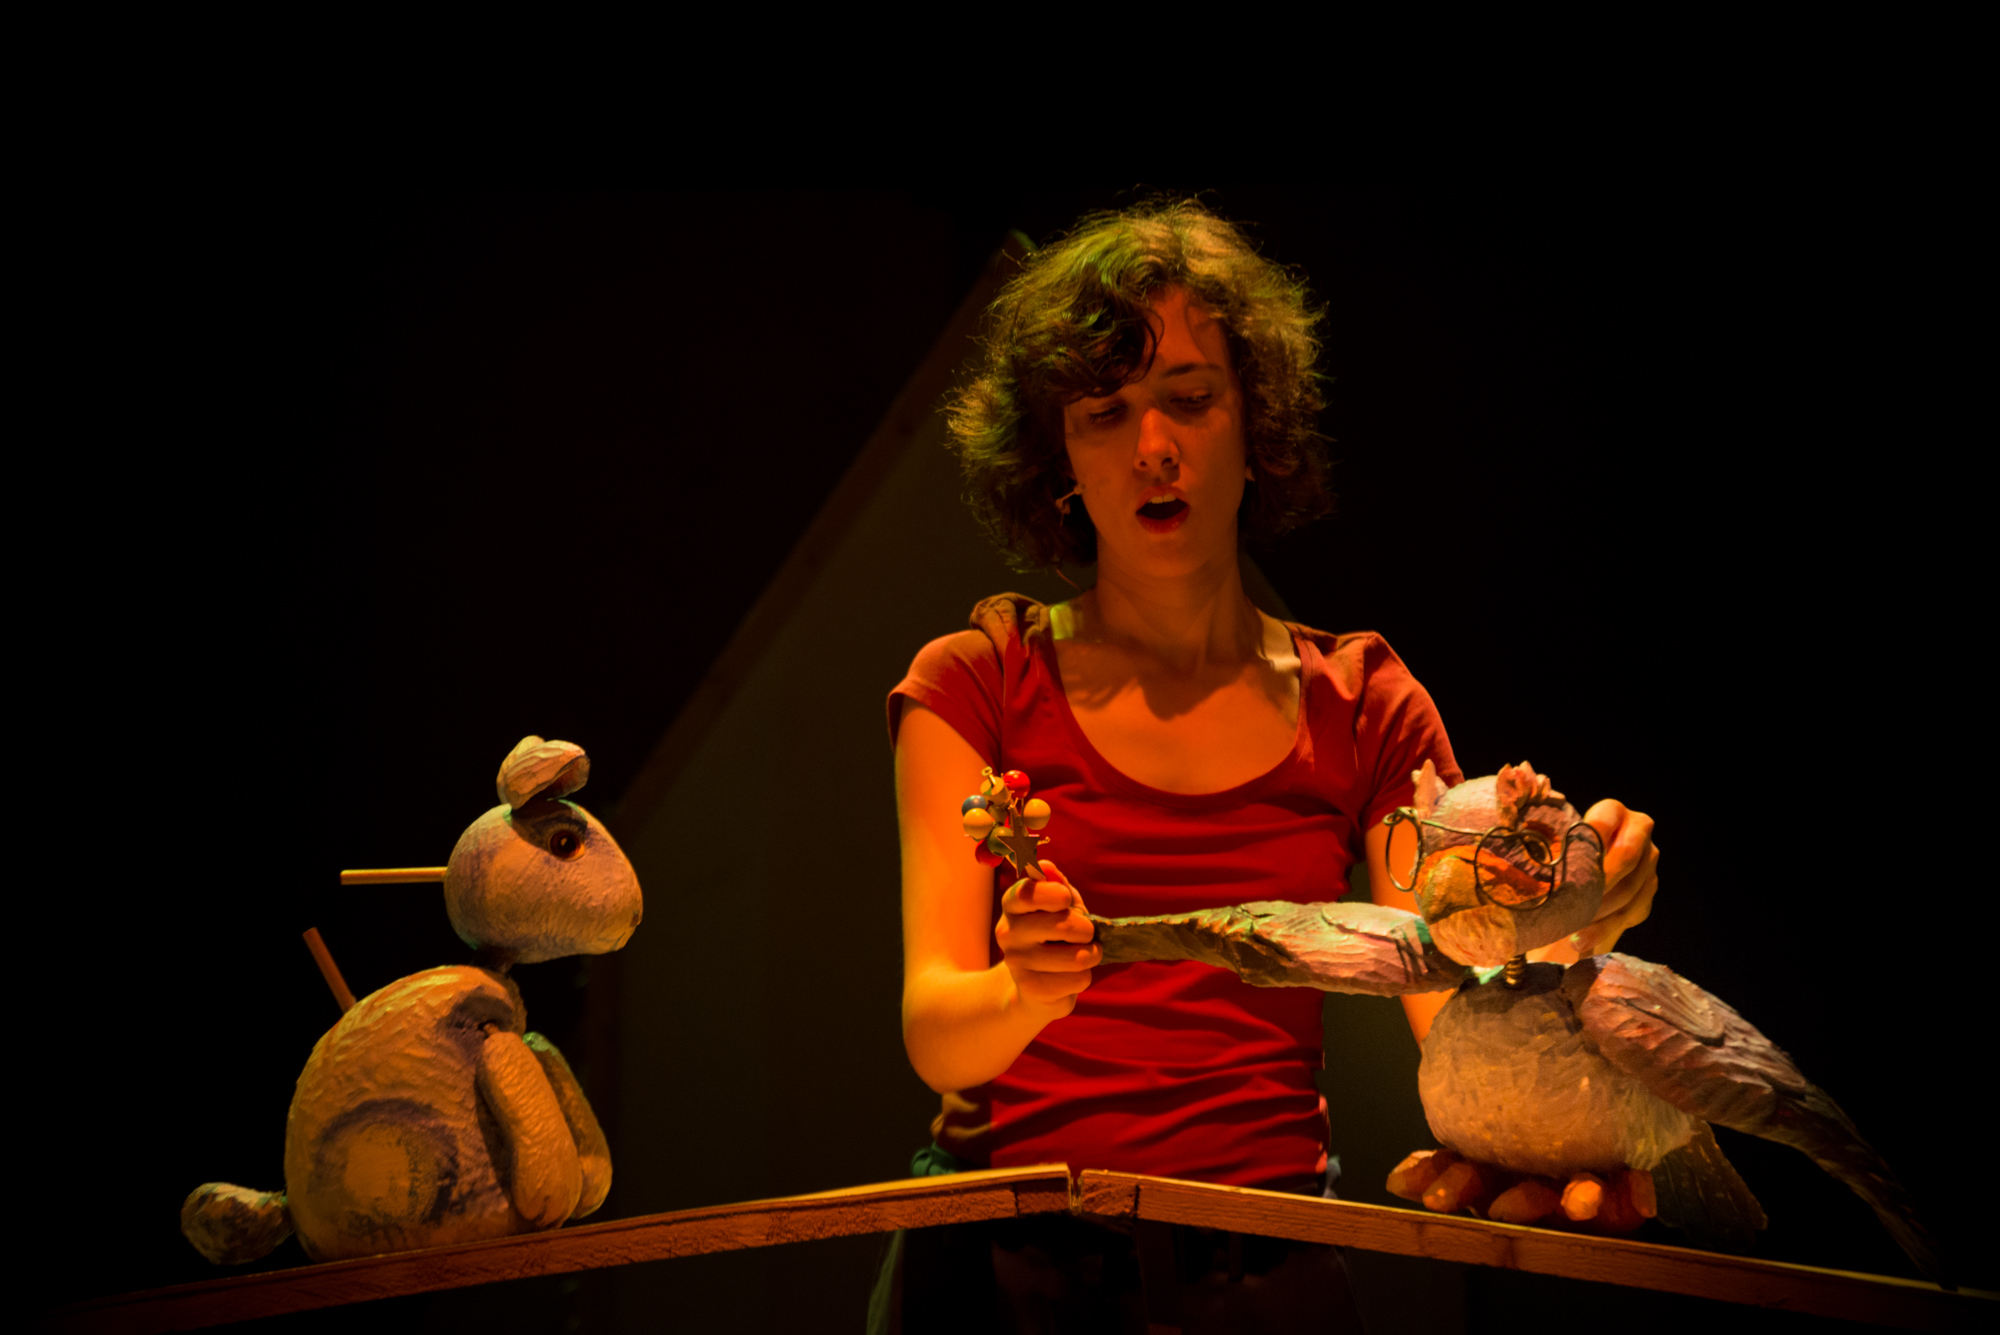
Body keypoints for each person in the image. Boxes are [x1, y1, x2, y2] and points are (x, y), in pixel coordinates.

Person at [877, 201, 1661, 1333]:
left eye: (1191, 399)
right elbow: (936, 1031)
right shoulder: (977, 681)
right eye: (1105, 413)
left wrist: (1577, 918)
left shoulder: (1365, 702)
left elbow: (1461, 1004)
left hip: (1265, 1277)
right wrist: (1022, 990)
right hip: (1008, 1278)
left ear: (1257, 425)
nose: (1153, 446)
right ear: (1060, 462)